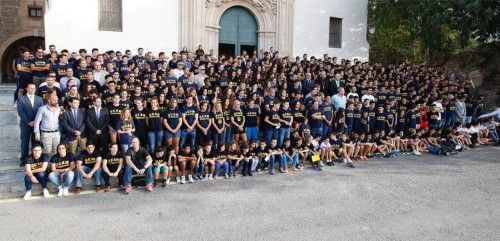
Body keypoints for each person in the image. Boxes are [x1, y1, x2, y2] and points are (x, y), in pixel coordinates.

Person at [17, 82, 44, 165]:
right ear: (27, 89)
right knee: (24, 142)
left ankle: (34, 159)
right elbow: (21, 112)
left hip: (36, 125)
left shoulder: (39, 99)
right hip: (25, 124)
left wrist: (35, 122)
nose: (32, 89)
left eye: (34, 88)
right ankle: (23, 160)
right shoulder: (21, 99)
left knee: (35, 143)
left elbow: (41, 111)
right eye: (31, 88)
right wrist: (29, 122)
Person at [33, 92, 61, 156]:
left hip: (56, 133)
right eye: (54, 100)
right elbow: (37, 122)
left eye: (57, 100)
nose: (56, 101)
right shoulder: (42, 109)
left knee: (56, 150)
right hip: (46, 134)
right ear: (49, 100)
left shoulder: (58, 108)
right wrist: (37, 133)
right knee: (47, 151)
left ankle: (54, 165)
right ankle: (47, 165)